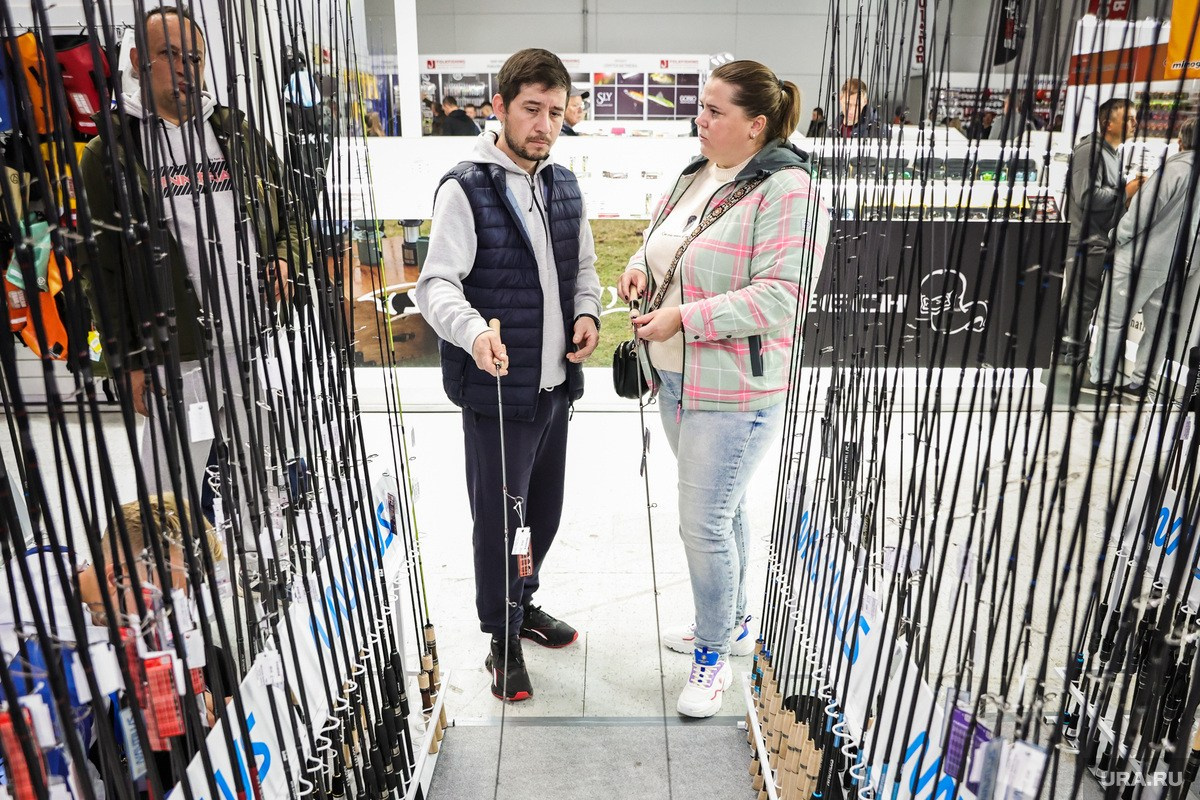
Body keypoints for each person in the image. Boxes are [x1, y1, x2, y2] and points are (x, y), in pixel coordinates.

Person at [617, 60, 830, 718]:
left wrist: (687, 317)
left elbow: (782, 297)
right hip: (675, 376)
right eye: (700, 108)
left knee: (702, 522)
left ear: (755, 125)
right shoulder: (694, 173)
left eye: (714, 112)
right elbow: (660, 245)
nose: (699, 121)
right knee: (723, 508)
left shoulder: (787, 187)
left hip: (735, 389)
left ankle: (714, 655)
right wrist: (635, 270)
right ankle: (733, 621)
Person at [77, 6, 306, 575]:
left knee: (261, 463)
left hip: (253, 340)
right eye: (170, 55)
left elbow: (293, 212)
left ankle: (259, 565)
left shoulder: (234, 129)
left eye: (194, 57)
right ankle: (171, 577)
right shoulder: (110, 152)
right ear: (136, 62)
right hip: (174, 353)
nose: (186, 69)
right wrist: (127, 361)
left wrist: (282, 256)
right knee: (170, 479)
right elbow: (98, 269)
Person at [413, 48, 601, 702]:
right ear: (499, 107)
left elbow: (583, 274)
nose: (545, 124)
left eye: (555, 111)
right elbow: (434, 284)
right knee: (502, 524)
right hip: (497, 396)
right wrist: (473, 333)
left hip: (554, 391)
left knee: (540, 519)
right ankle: (501, 638)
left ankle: (523, 606)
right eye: (531, 110)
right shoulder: (467, 186)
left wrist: (588, 315)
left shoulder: (565, 184)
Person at [1, 495, 232, 796]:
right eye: (168, 604)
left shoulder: (80, 579)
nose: (173, 621)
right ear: (117, 578)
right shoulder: (31, 644)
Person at [1090, 118, 1200, 394]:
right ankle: (1143, 382)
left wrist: (1116, 237)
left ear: (1181, 140)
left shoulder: (1174, 170)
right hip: (1182, 264)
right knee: (1159, 327)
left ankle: (1101, 376)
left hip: (1141, 258)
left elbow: (1142, 214)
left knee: (1113, 319)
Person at [1058, 97, 1140, 373]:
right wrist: (1125, 192)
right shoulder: (1090, 151)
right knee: (1082, 300)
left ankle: (1066, 348)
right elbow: (1086, 195)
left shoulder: (1109, 153)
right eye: (1127, 118)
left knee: (1079, 298)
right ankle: (1072, 354)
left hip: (1096, 239)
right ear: (1108, 122)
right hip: (1085, 241)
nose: (1134, 123)